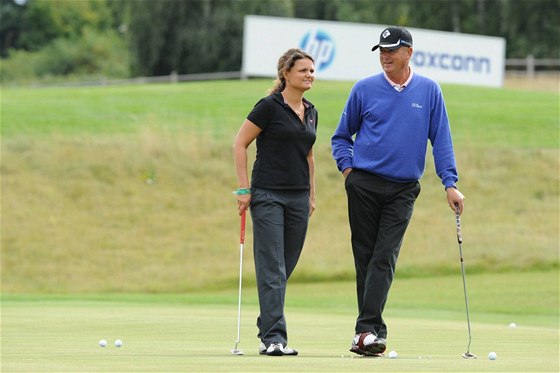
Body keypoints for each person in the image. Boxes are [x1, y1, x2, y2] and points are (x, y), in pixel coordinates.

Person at [331, 26, 465, 357]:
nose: (385, 56)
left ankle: (365, 330)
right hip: (363, 184)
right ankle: (370, 332)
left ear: (409, 52)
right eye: (382, 50)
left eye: (392, 50)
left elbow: (442, 139)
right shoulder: (364, 89)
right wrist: (348, 171)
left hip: (403, 188)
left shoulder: (429, 91)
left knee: (384, 255)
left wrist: (450, 183)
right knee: (365, 257)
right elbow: (341, 137)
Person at [232, 48, 318, 356]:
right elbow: (240, 143)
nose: (310, 74)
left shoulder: (311, 111)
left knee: (284, 266)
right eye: (303, 70)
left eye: (312, 70)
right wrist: (244, 189)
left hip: (298, 198)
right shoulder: (268, 107)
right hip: (268, 195)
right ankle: (273, 338)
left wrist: (311, 194)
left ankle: (267, 322)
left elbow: (308, 155)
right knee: (272, 268)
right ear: (285, 74)